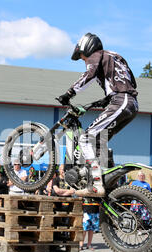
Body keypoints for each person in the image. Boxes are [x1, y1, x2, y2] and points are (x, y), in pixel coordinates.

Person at [57, 33, 138, 197]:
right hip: (131, 104)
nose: (84, 61)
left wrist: (69, 93)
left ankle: (96, 184)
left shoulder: (97, 55)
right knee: (99, 140)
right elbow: (130, 82)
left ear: (87, 47)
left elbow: (89, 74)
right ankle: (107, 180)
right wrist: (106, 98)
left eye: (82, 57)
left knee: (86, 138)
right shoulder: (117, 57)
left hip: (121, 101)